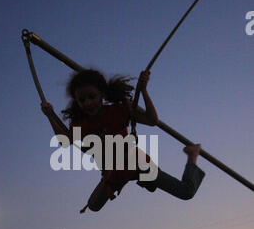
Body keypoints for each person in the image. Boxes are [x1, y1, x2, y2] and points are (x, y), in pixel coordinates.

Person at [41, 69, 205, 212]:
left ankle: (192, 154)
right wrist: (50, 115)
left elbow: (152, 120)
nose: (88, 103)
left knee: (186, 192)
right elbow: (64, 140)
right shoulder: (80, 123)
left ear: (102, 95)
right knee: (93, 206)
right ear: (77, 102)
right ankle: (140, 181)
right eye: (82, 100)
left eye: (92, 97)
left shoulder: (118, 110)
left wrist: (144, 91)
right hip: (114, 173)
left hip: (138, 165)